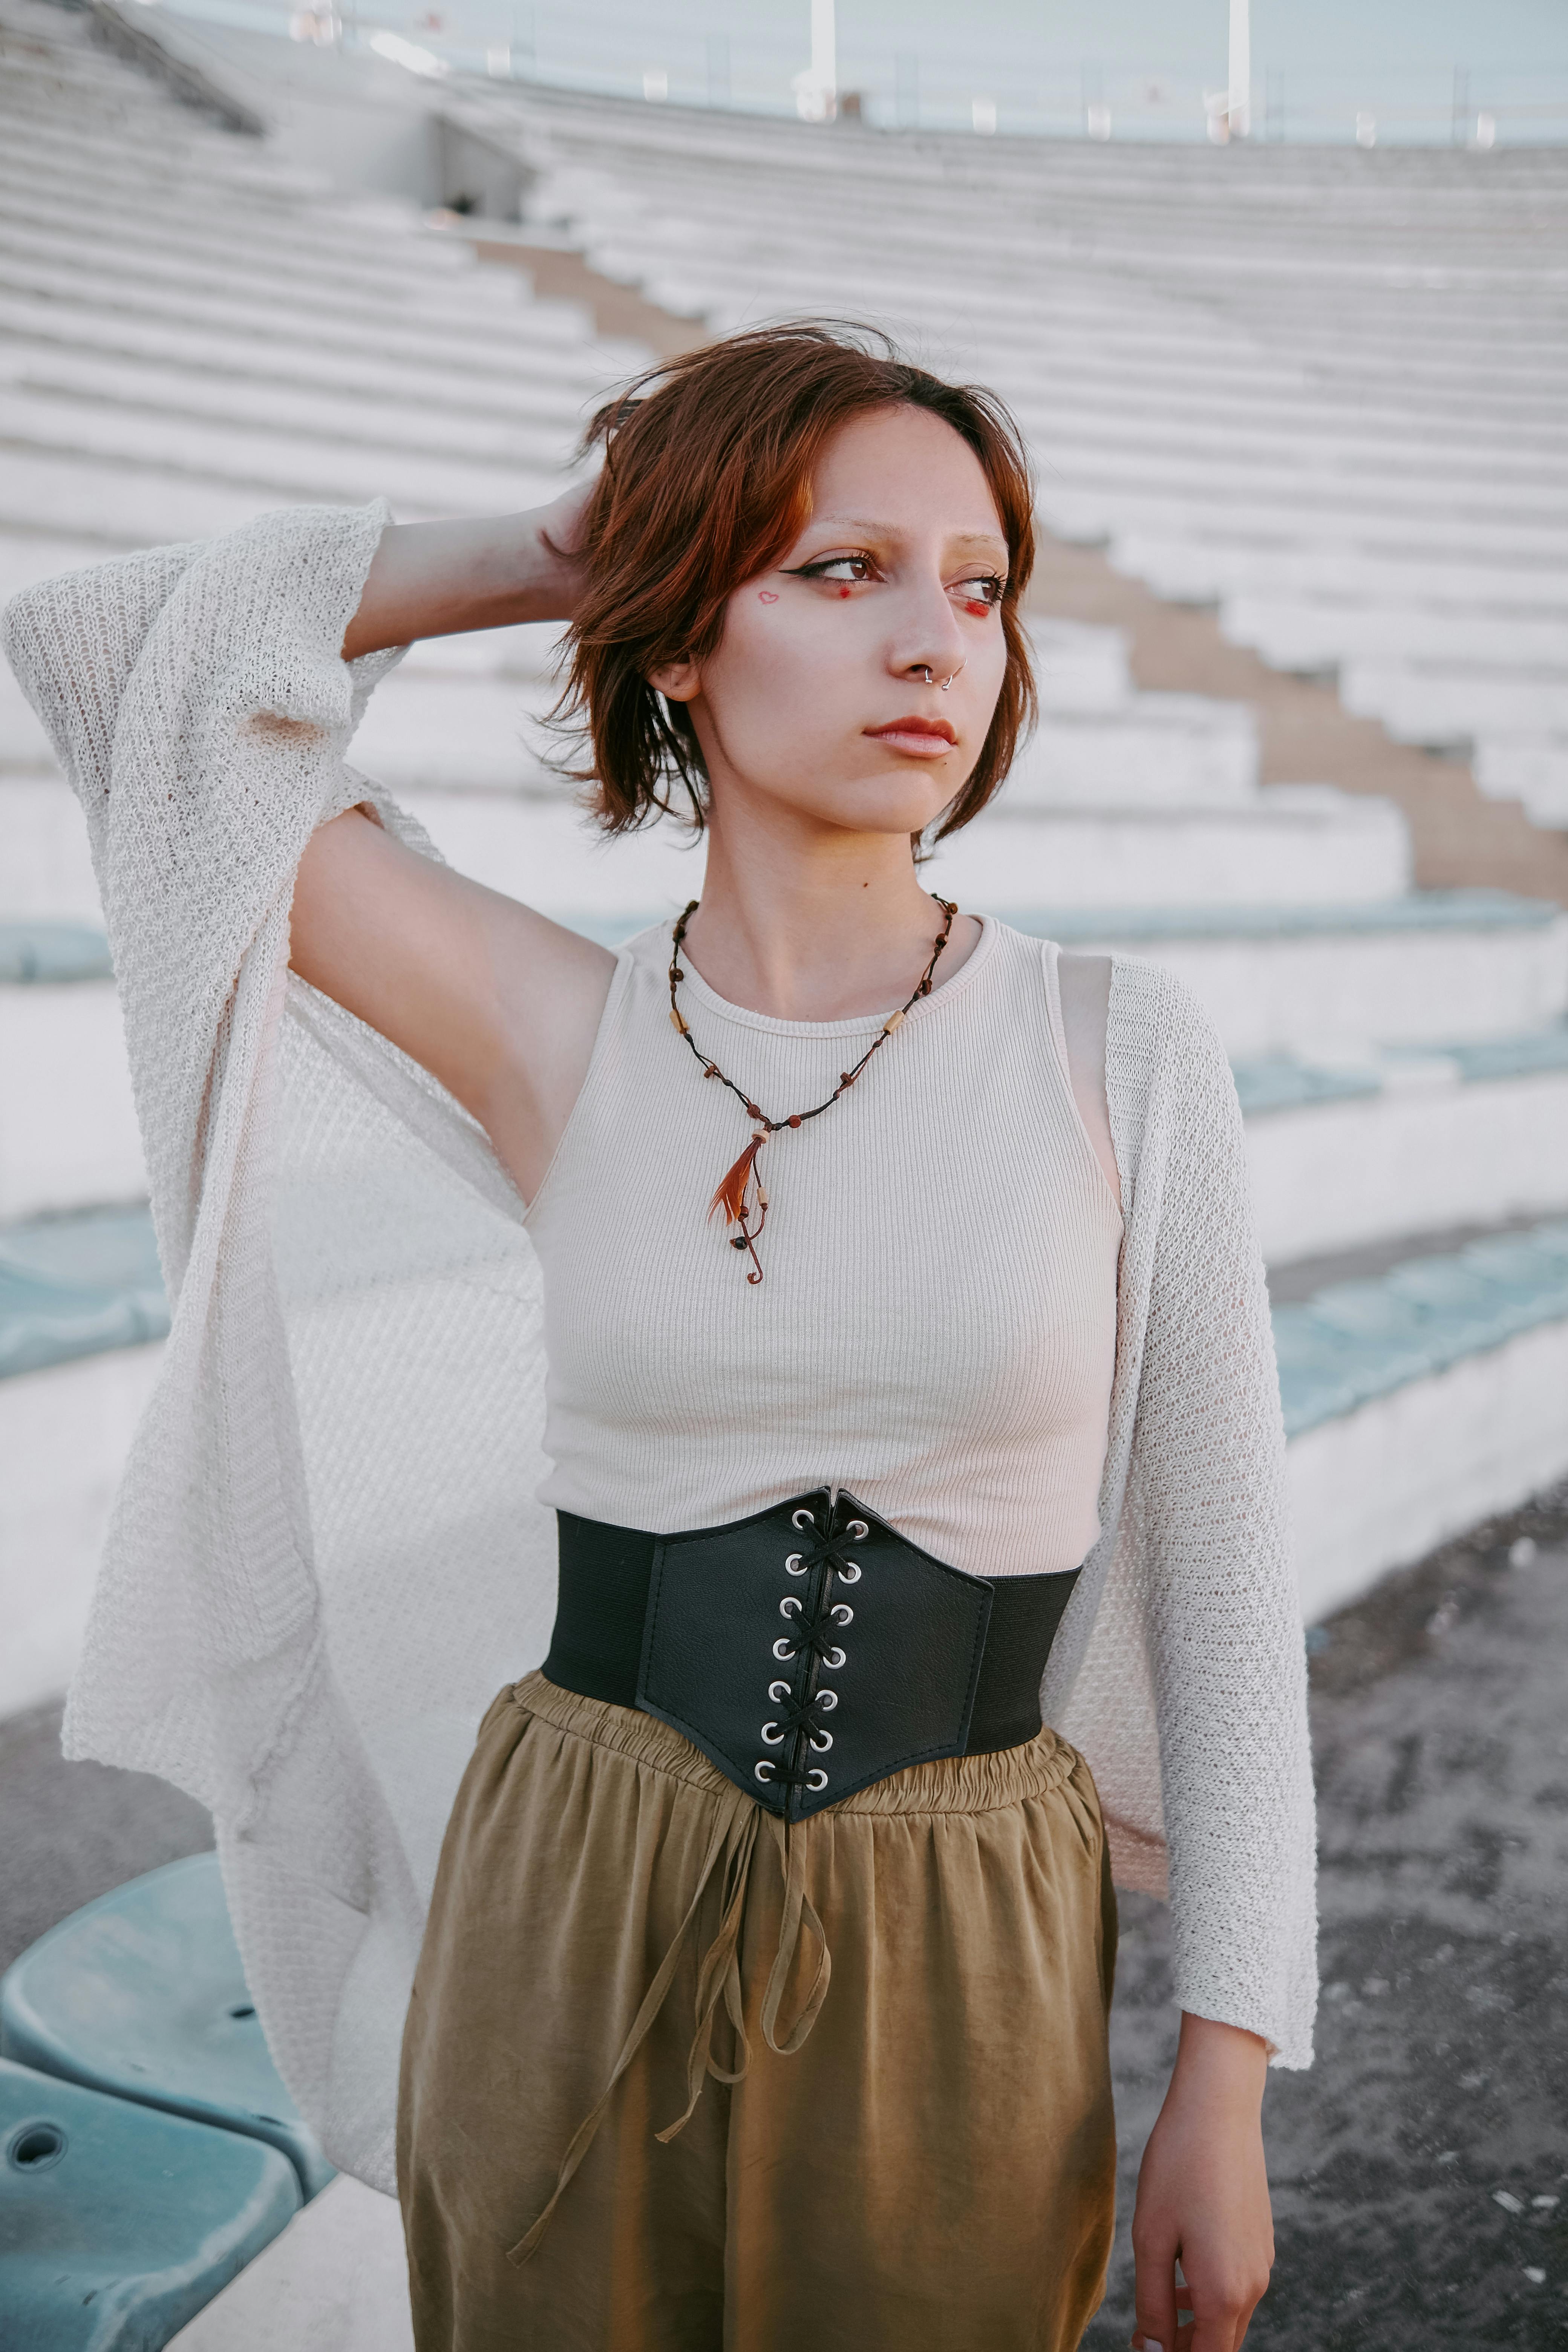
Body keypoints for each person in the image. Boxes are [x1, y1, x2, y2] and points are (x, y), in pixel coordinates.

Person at [4, 322, 1315, 2352]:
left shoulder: (1119, 1048)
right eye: (841, 569)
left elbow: (1227, 1586)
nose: (933, 642)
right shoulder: (559, 1029)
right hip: (569, 1891)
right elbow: (110, 663)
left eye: (980, 588)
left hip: (958, 1924)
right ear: (686, 636)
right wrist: (555, 553)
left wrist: (1226, 2080)